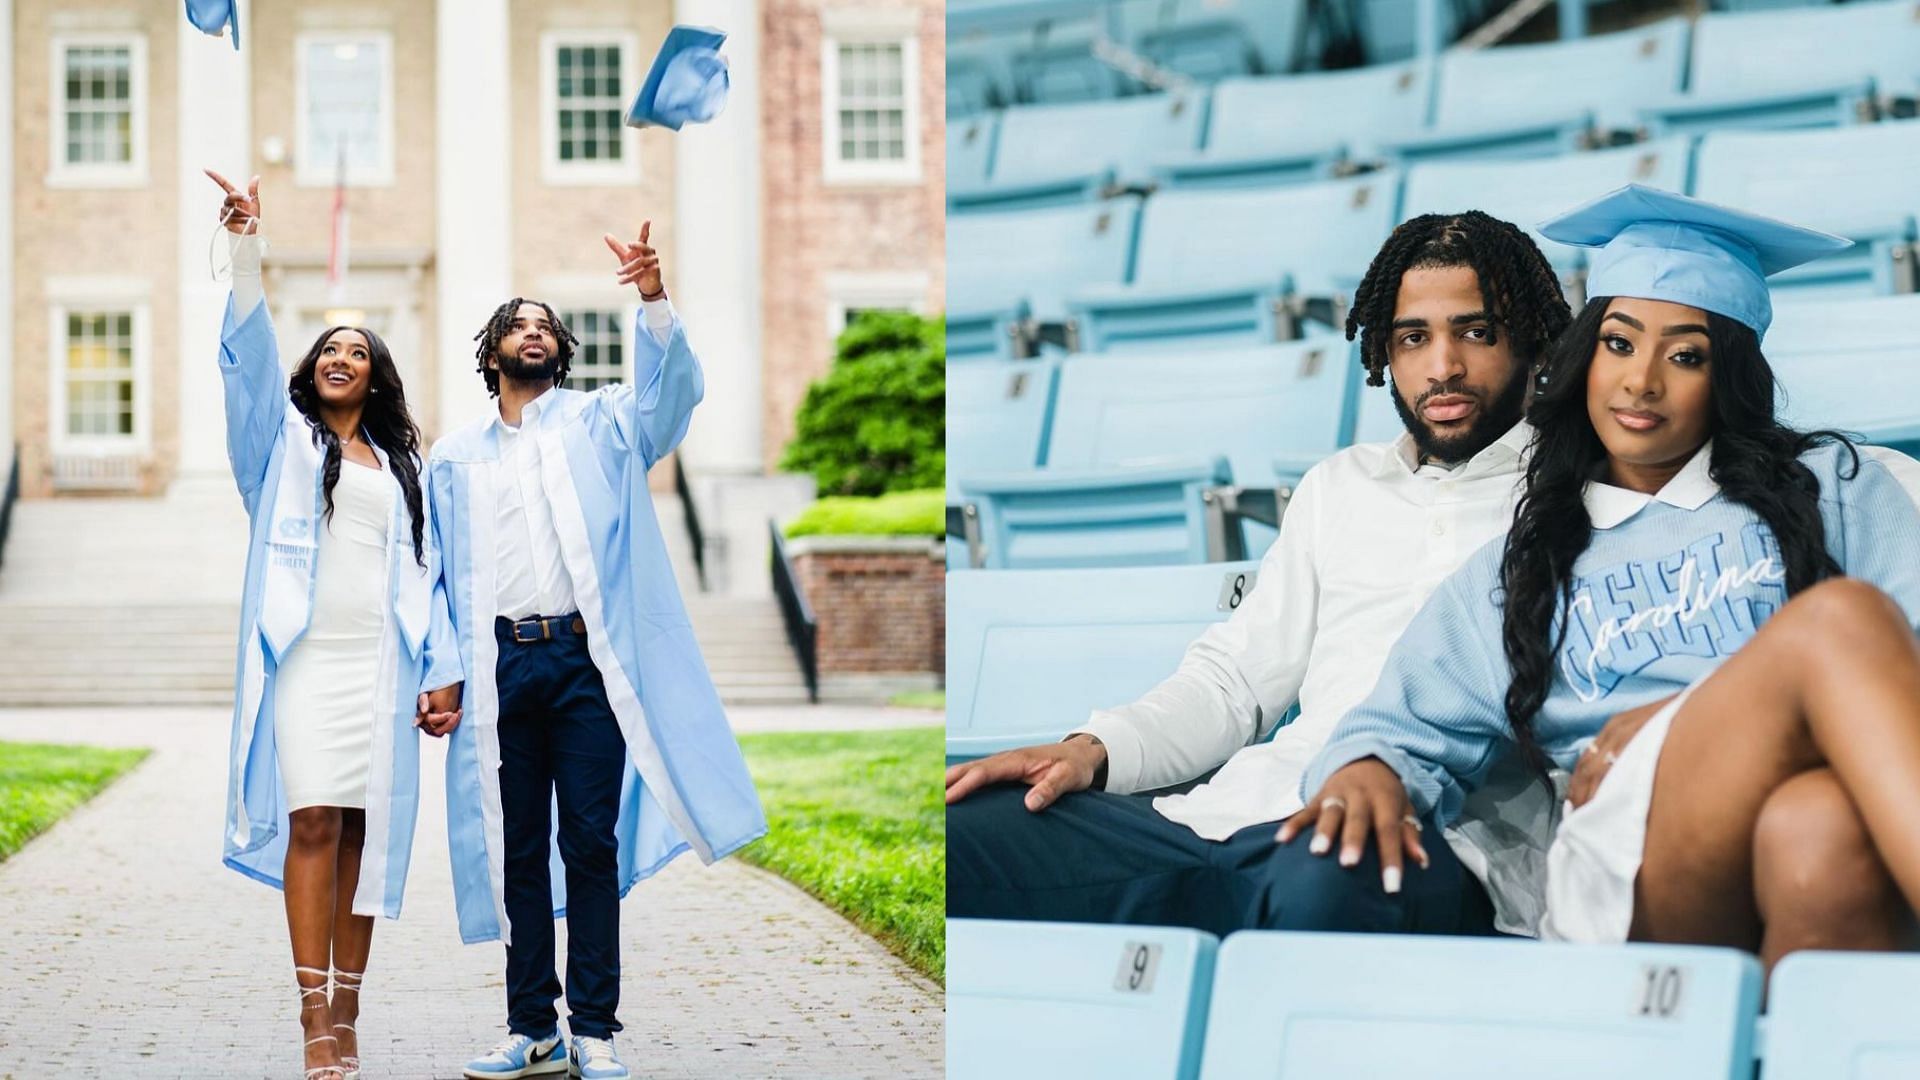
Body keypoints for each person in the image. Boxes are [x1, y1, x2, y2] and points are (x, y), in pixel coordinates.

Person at [1288, 185, 1920, 969]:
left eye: (1684, 355)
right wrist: (1363, 772)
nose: (1641, 382)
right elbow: (1392, 727)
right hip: (1630, 858)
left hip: (1823, 796)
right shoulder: (1526, 563)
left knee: (1819, 827)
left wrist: (1675, 714)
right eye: (1619, 344)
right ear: (1584, 357)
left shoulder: (1836, 488)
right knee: (1838, 620)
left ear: (1727, 377)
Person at [945, 211, 1574, 936]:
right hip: (1234, 816)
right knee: (970, 833)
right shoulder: (1339, 485)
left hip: (1430, 837)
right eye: (1413, 338)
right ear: (1383, 351)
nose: (1442, 367)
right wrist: (1090, 752)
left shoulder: (1576, 500)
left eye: (1476, 332)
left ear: (1531, 338)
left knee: (1333, 878)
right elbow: (1235, 683)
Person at [432, 224, 767, 1080]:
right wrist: (444, 671)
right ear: (493, 351)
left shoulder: (605, 423)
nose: (535, 331)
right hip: (504, 665)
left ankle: (595, 1027)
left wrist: (653, 298)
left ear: (563, 350)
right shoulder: (455, 456)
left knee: (589, 842)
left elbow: (672, 400)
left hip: (586, 664)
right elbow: (434, 575)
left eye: (547, 324)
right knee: (518, 850)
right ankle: (530, 1028)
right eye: (519, 323)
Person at [208, 171, 463, 1080]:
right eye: (329, 345)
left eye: (359, 347)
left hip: (384, 666)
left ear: (377, 372)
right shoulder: (278, 446)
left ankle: (351, 1008)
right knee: (312, 820)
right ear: (313, 367)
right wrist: (246, 249)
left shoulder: (403, 466)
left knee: (363, 832)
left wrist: (445, 669)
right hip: (308, 660)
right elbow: (243, 364)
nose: (341, 355)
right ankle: (313, 1013)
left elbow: (435, 579)